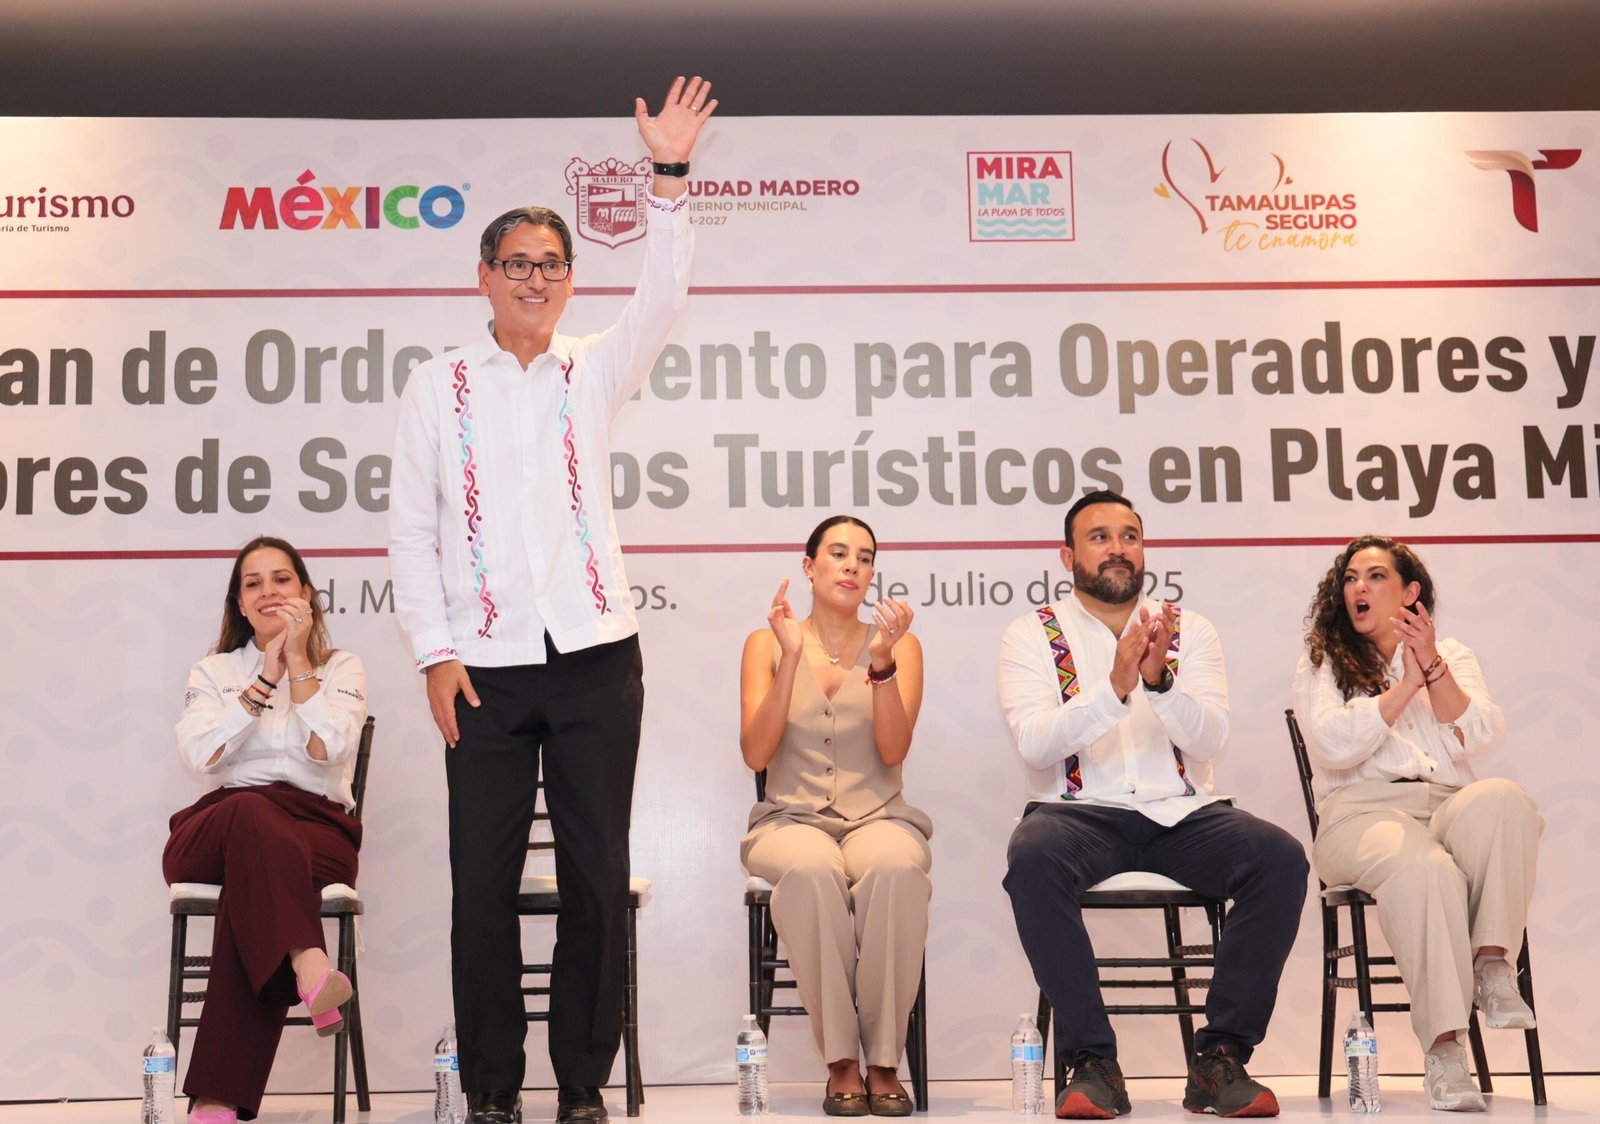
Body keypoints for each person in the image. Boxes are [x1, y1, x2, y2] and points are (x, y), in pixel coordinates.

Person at [388, 77, 717, 1124]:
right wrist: (433, 652)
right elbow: (410, 530)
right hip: (479, 671)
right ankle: (493, 1088)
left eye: (552, 264)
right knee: (480, 885)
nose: (535, 278)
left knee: (595, 876)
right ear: (484, 276)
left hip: (594, 661)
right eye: (517, 263)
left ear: (572, 281)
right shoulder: (437, 385)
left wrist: (668, 174)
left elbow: (663, 295)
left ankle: (581, 1084)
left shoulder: (594, 368)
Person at [997, 490, 1307, 1119]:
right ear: (1068, 556)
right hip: (1077, 814)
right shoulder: (1032, 633)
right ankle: (1092, 1063)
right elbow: (1034, 744)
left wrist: (1159, 681)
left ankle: (1221, 1058)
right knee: (1032, 857)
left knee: (1279, 858)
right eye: (1099, 537)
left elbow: (1211, 740)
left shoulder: (1190, 629)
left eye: (1129, 537)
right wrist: (1114, 688)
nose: (1117, 549)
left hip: (1182, 814)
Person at [1292, 535, 1541, 1113]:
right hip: (1361, 813)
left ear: (1410, 593)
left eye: (1375, 576)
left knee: (1506, 800)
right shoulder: (1322, 663)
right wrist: (1405, 684)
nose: (1358, 587)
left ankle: (1492, 966)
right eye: (1350, 577)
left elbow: (1481, 733)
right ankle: (1446, 1048)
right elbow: (1332, 745)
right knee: (1427, 869)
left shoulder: (1450, 652)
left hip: (1447, 803)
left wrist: (1429, 665)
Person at [163, 536, 368, 1124]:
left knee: (254, 888)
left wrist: (297, 662)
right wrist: (262, 682)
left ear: (306, 594)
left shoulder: (341, 667)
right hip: (222, 824)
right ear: (240, 603)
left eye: (282, 579)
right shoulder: (214, 671)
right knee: (252, 814)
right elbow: (201, 754)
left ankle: (215, 1101)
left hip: (316, 832)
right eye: (253, 583)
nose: (268, 591)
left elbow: (328, 748)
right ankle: (309, 962)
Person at [739, 515, 930, 1118]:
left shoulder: (900, 646)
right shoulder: (767, 643)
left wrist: (882, 664)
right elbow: (756, 754)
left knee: (898, 868)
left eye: (865, 557)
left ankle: (884, 1062)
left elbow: (893, 751)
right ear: (809, 566)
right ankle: (842, 1060)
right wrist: (792, 658)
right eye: (839, 553)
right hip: (788, 821)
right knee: (811, 870)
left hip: (879, 817)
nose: (853, 566)